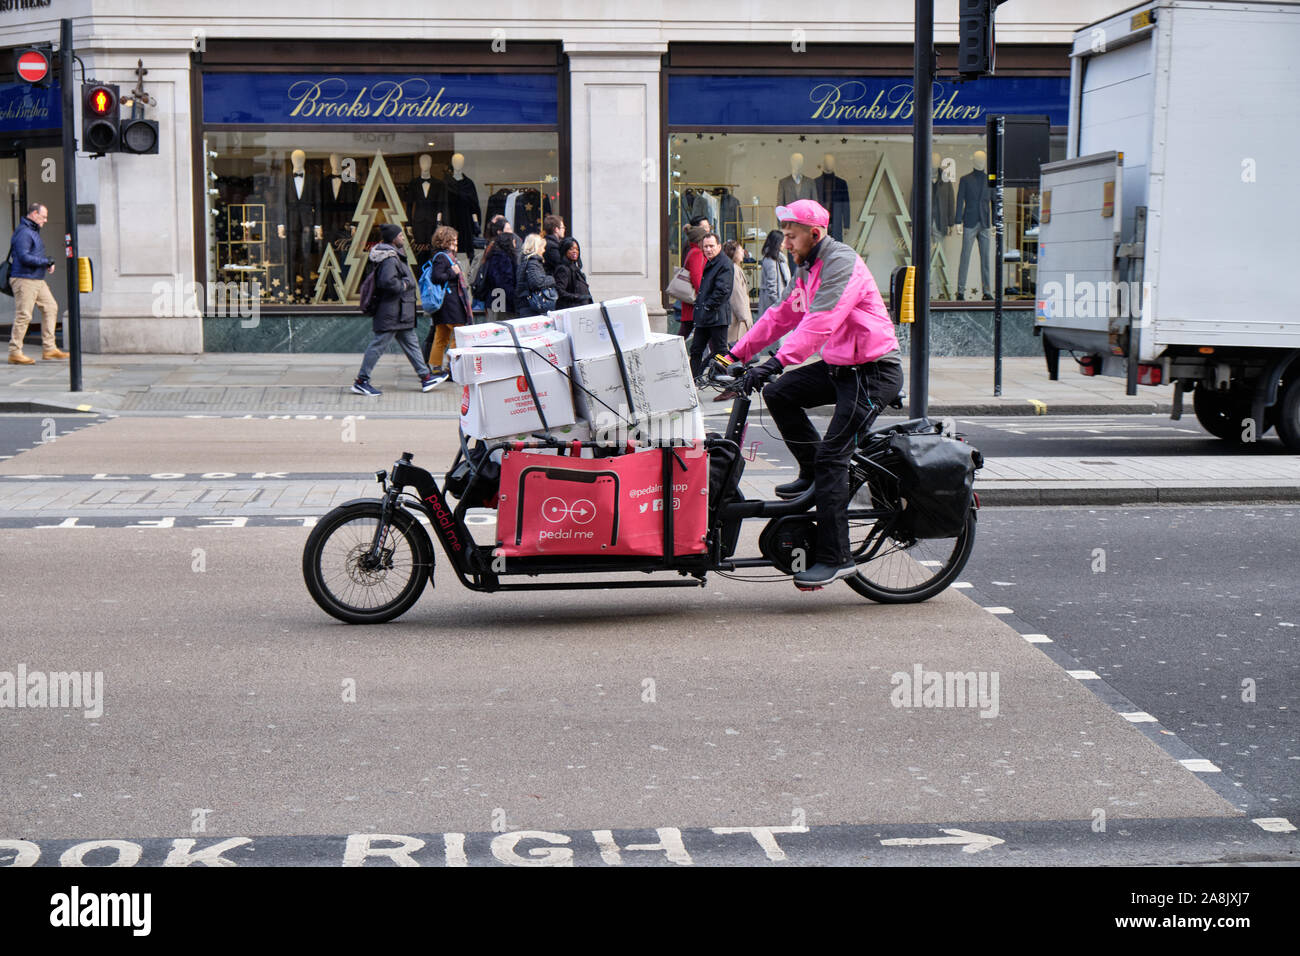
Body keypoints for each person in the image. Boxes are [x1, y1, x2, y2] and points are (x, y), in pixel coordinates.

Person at [723, 199, 904, 588]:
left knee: (833, 459)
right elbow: (782, 314)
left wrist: (776, 361)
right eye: (785, 236)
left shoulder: (841, 263)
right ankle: (810, 471)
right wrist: (733, 354)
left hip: (873, 373)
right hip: (842, 366)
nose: (785, 243)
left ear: (814, 234)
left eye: (791, 236)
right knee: (781, 394)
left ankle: (836, 557)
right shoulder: (807, 266)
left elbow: (822, 321)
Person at [351, 223, 437, 396]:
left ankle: (426, 377)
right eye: (400, 235)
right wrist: (405, 284)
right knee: (378, 346)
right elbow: (388, 282)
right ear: (393, 238)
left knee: (411, 343)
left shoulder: (393, 255)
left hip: (398, 311)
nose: (403, 238)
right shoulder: (390, 258)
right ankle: (361, 381)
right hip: (392, 312)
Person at [7, 202, 66, 364]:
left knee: (51, 307)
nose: (45, 220)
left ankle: (49, 348)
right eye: (43, 216)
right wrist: (45, 261)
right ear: (33, 214)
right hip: (24, 278)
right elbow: (24, 257)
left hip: (36, 279)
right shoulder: (25, 232)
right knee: (24, 315)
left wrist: (45, 263)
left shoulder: (32, 231)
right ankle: (14, 352)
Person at [422, 226, 473, 386]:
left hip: (449, 303)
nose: (456, 242)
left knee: (442, 335)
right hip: (449, 304)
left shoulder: (446, 256)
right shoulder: (442, 257)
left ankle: (437, 367)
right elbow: (437, 277)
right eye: (453, 239)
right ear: (445, 241)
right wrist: (454, 272)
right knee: (456, 336)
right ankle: (450, 368)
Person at [688, 232, 732, 379]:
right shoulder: (711, 262)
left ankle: (729, 380)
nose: (708, 249)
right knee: (696, 350)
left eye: (711, 246)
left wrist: (707, 306)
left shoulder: (724, 263)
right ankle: (693, 379)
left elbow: (723, 290)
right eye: (705, 246)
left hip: (716, 316)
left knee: (721, 351)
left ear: (719, 246)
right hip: (705, 316)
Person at [477, 215, 520, 321]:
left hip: (499, 300)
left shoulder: (502, 253)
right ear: (499, 232)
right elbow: (501, 282)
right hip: (499, 300)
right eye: (508, 230)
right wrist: (514, 298)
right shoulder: (499, 254)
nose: (512, 233)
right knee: (498, 329)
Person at [677, 224, 708, 343]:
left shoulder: (693, 251)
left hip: (693, 303)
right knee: (684, 333)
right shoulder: (696, 253)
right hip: (695, 304)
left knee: (685, 333)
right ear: (700, 240)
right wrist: (704, 294)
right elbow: (696, 277)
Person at [515, 233, 556, 317]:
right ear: (536, 247)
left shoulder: (524, 261)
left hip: (525, 305)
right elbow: (536, 283)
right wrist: (551, 279)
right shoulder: (533, 262)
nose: (543, 250)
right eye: (542, 247)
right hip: (532, 308)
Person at [757, 229, 791, 317]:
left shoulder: (779, 258)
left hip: (779, 301)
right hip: (773, 305)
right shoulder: (771, 260)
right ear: (777, 243)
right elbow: (772, 287)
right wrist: (779, 304)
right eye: (783, 242)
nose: (784, 245)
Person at [724, 239, 752, 342]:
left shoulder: (735, 268)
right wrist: (745, 317)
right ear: (733, 253)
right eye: (740, 250)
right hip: (737, 319)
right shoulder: (734, 269)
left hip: (737, 317)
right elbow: (737, 295)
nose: (743, 253)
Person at [553, 237, 593, 309]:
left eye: (577, 249)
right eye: (571, 249)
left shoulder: (576, 269)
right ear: (565, 251)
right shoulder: (563, 269)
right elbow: (560, 291)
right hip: (571, 309)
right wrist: (577, 297)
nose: (575, 251)